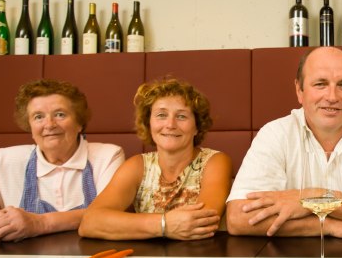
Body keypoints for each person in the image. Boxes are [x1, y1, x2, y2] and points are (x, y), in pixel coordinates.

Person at [226, 46, 342, 238]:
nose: (332, 97)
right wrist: (330, 226)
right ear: (299, 90)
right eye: (320, 84)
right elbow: (238, 219)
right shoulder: (275, 134)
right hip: (291, 257)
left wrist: (308, 198)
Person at [0, 79, 124, 245]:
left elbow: (109, 215)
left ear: (79, 123)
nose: (49, 124)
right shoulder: (5, 161)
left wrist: (40, 223)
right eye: (38, 117)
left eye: (60, 114)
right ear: (29, 126)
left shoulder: (108, 156)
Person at [79, 78, 231, 240]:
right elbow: (90, 222)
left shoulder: (215, 161)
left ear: (197, 127)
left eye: (181, 116)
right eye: (161, 115)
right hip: (147, 255)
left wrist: (133, 225)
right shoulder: (137, 165)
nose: (170, 124)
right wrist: (164, 225)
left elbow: (204, 220)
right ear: (149, 124)